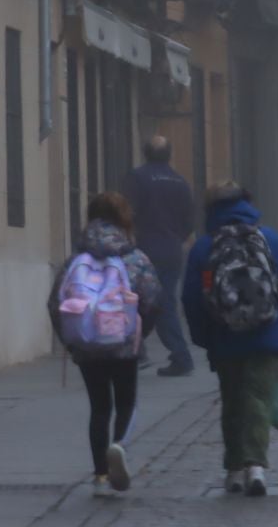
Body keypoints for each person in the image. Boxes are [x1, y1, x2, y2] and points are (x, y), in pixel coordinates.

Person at [182, 182, 278, 497]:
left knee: (232, 401)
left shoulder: (205, 247)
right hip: (266, 335)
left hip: (224, 336)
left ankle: (234, 469)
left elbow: (192, 299)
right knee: (258, 399)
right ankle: (256, 466)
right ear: (248, 204)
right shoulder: (269, 239)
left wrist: (203, 338)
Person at [48, 191, 163, 499]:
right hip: (124, 344)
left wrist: (71, 342)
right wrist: (142, 334)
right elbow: (152, 299)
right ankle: (119, 445)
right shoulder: (134, 258)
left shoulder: (77, 259)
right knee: (126, 402)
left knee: (99, 407)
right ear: (123, 219)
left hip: (87, 346)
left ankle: (99, 475)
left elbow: (54, 302)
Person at [122, 134, 197, 376]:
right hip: (172, 250)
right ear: (169, 154)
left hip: (144, 250)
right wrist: (175, 238)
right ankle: (179, 355)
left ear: (145, 152)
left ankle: (138, 351)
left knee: (130, 300)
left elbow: (127, 213)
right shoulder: (180, 181)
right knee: (165, 304)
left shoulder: (137, 177)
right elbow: (189, 222)